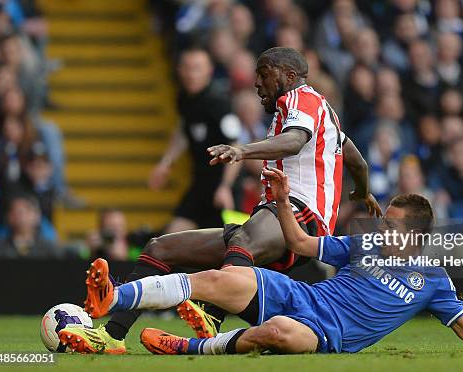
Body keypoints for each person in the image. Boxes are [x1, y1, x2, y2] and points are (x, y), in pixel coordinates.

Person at [66, 47, 381, 354]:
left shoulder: (302, 99)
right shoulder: (316, 113)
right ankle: (111, 336)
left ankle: (211, 313)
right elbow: (357, 161)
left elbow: (295, 141)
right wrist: (363, 191)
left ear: (289, 75)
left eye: (264, 75)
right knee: (160, 247)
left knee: (242, 239)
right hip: (272, 220)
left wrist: (242, 150)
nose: (257, 83)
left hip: (301, 216)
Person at [60, 168, 463, 355]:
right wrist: (283, 200)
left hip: (325, 334)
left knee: (281, 333)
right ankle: (113, 301)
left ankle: (193, 346)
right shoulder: (364, 244)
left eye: (393, 224)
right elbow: (302, 246)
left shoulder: (434, 280)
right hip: (301, 295)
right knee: (222, 276)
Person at [148, 48, 242, 233]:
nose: (191, 74)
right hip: (200, 184)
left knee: (227, 245)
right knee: (173, 235)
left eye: (197, 68)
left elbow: (236, 145)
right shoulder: (184, 99)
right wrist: (166, 162)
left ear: (209, 71)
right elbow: (184, 131)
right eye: (187, 68)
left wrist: (225, 186)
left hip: (224, 188)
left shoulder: (219, 103)